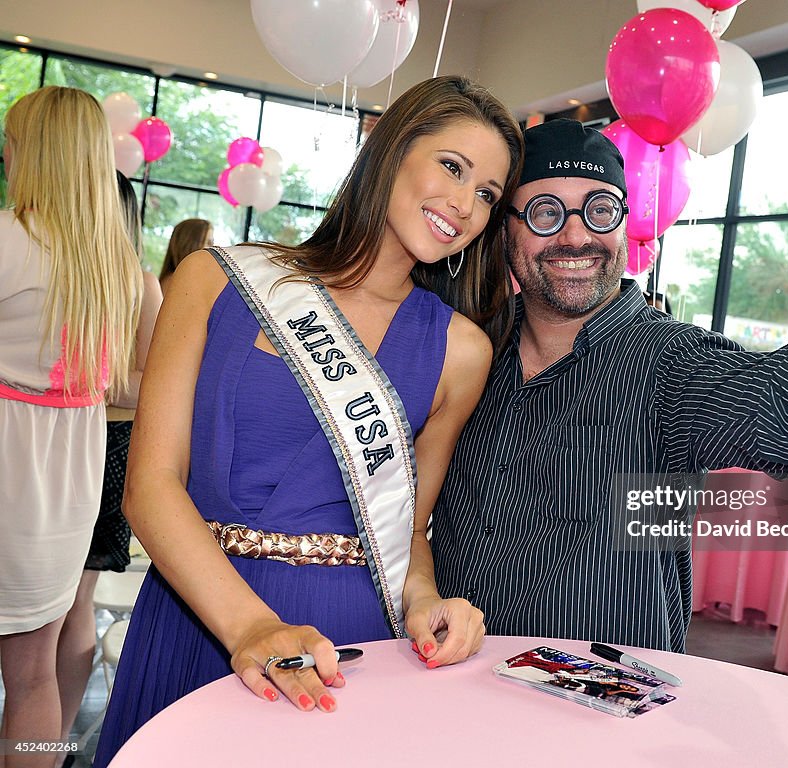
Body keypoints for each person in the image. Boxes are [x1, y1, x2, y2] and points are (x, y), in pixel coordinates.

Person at [93, 75, 523, 764]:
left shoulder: (460, 351)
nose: (464, 205)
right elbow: (149, 487)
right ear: (390, 150)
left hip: (345, 639)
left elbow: (407, 527)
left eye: (486, 195)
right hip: (200, 611)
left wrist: (426, 601)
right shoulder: (214, 280)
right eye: (453, 167)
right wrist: (251, 625)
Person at [431, 118, 788, 655]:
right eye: (547, 211)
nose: (577, 234)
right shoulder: (469, 352)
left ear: (625, 223)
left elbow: (777, 402)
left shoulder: (672, 361)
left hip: (601, 707)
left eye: (600, 209)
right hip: (455, 685)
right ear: (506, 229)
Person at [0, 86, 141, 767]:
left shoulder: (8, 239)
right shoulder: (118, 270)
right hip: (68, 484)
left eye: (12, 139)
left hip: (10, 466)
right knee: (33, 677)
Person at [53, 172, 163, 757]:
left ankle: (56, 738)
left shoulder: (140, 286)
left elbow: (152, 385)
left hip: (106, 451)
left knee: (73, 605)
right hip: (48, 441)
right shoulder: (56, 275)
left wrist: (72, 379)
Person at [158, 217, 213, 292]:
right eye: (208, 242)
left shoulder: (179, 280)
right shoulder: (176, 283)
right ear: (190, 245)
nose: (213, 248)